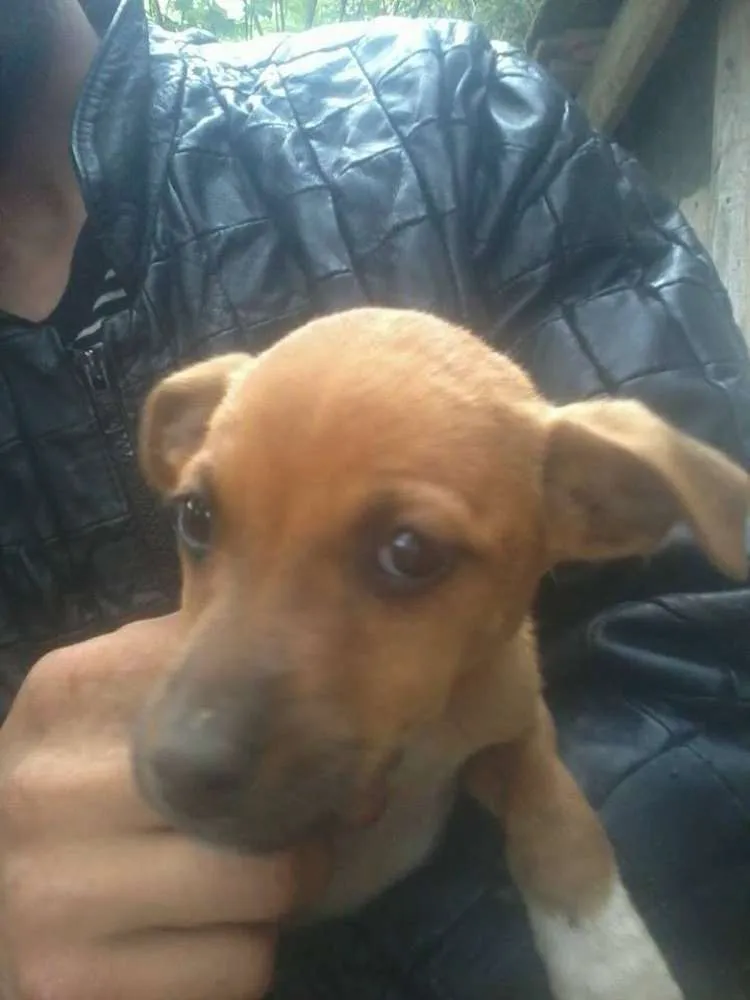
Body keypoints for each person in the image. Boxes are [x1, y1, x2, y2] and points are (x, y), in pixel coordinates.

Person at [0, 1, 748, 998]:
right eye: (202, 520)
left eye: (405, 554)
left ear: (603, 509)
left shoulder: (453, 113)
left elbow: (713, 665)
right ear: (179, 443)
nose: (194, 740)